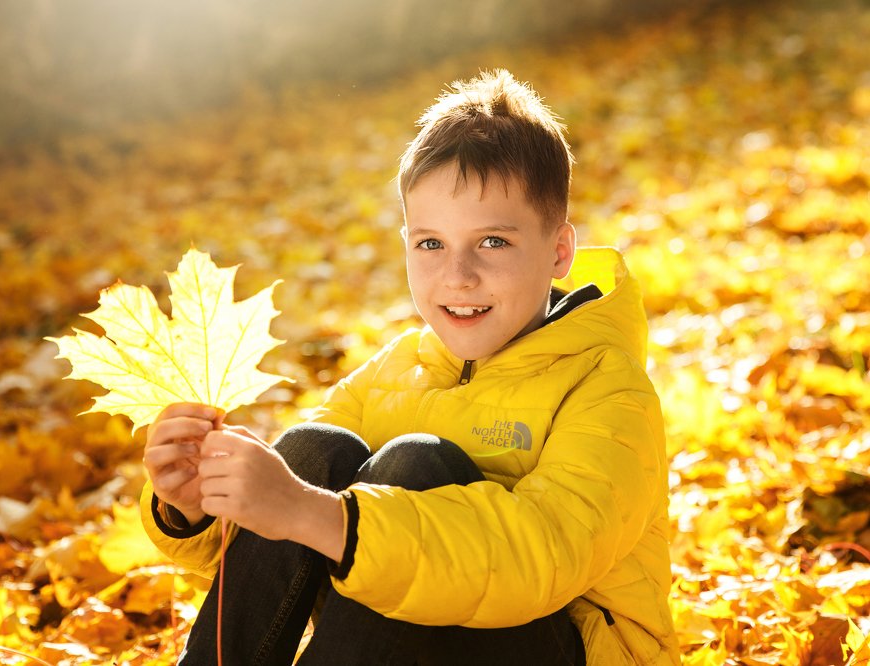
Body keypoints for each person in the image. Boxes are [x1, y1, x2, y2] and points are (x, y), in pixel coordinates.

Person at [140, 69, 678, 665]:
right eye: (431, 244)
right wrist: (196, 505)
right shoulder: (397, 370)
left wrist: (310, 511)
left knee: (414, 465)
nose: (458, 274)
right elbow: (276, 551)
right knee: (312, 450)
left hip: (558, 644)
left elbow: (539, 556)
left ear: (559, 251)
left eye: (493, 242)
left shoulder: (607, 389)